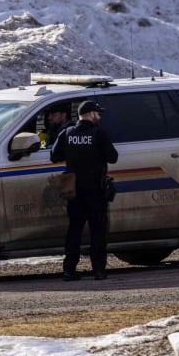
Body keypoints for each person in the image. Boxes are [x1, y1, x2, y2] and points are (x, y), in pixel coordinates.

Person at [50, 100, 118, 281]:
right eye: (98, 113)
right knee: (98, 230)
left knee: (74, 230)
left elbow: (54, 156)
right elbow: (113, 157)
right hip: (96, 189)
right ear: (91, 114)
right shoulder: (98, 134)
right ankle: (99, 270)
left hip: (73, 190)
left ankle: (69, 270)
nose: (99, 117)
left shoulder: (67, 133)